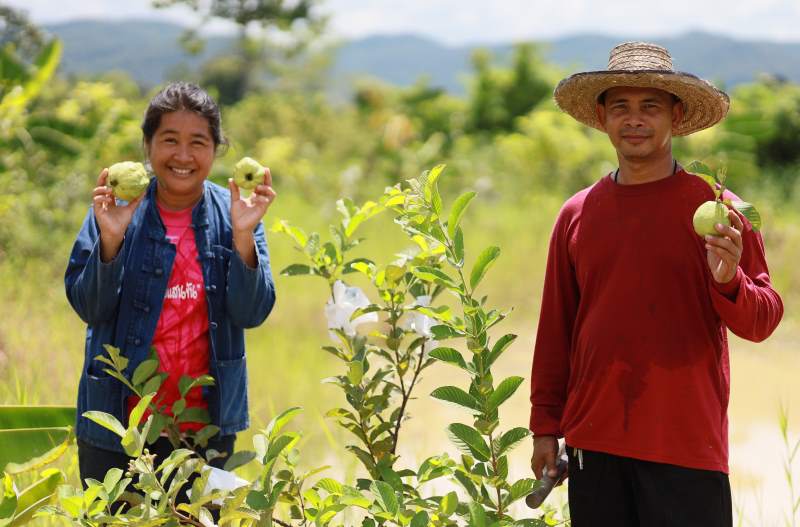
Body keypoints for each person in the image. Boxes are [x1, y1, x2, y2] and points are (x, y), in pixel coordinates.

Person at [528, 42, 783, 526]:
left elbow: (763, 319)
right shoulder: (576, 214)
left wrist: (729, 282)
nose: (635, 119)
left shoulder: (719, 213)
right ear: (602, 117)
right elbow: (556, 328)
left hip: (686, 443)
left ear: (676, 115)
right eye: (621, 107)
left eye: (650, 106)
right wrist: (545, 425)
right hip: (594, 443)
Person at [65, 81, 277, 483]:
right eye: (169, 140)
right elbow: (89, 309)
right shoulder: (114, 210)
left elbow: (252, 314)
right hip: (118, 432)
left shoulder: (236, 217)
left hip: (205, 430)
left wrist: (244, 235)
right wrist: (110, 240)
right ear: (148, 146)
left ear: (216, 149)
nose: (183, 155)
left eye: (197, 141)